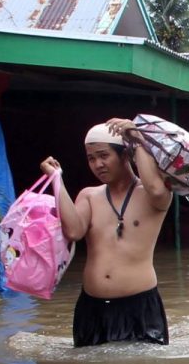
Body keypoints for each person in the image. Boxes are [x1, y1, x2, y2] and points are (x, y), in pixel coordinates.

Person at [41, 118, 173, 347]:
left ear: (125, 155)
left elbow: (154, 186)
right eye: (91, 158)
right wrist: (56, 179)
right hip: (92, 307)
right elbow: (73, 231)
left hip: (139, 306)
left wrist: (137, 140)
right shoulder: (89, 196)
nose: (98, 164)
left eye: (104, 155)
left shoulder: (154, 196)